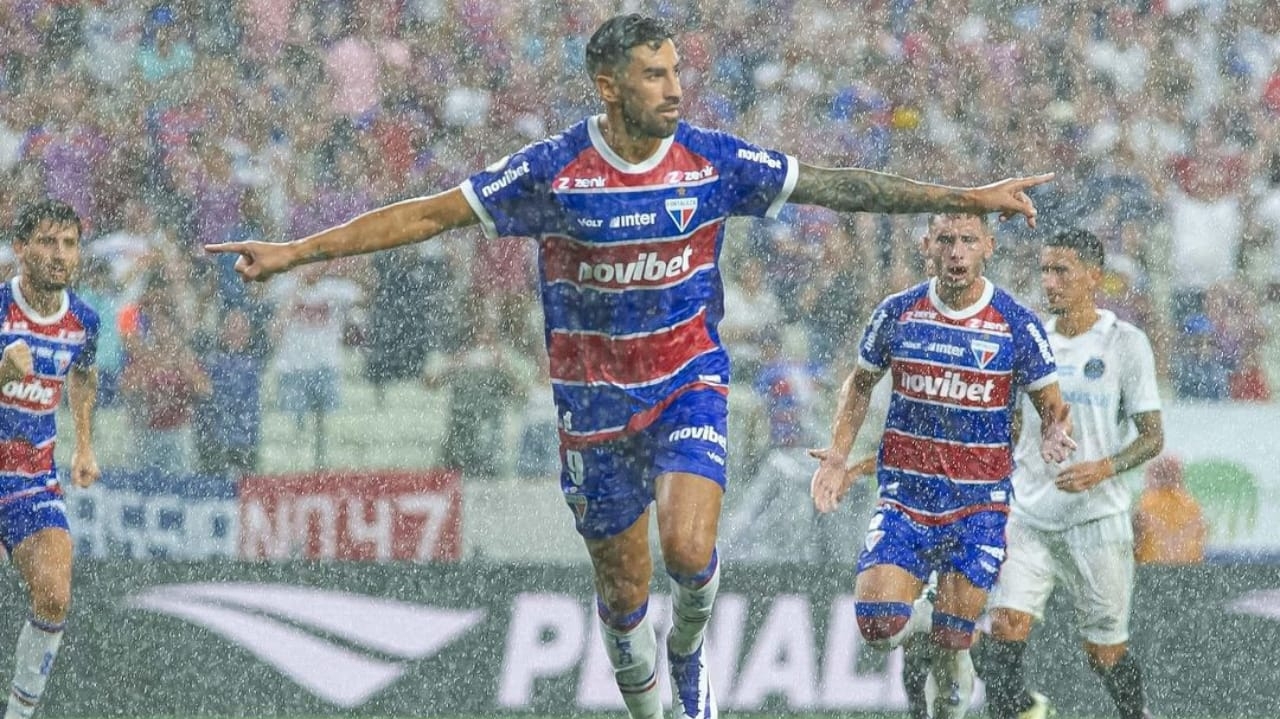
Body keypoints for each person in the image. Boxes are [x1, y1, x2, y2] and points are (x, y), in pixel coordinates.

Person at [207, 15, 1052, 719]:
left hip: (687, 383)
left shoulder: (712, 162)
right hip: (594, 412)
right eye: (653, 75)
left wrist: (963, 198)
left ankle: (691, 654)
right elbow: (428, 216)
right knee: (621, 595)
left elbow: (840, 185)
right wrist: (296, 252)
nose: (674, 88)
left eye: (676, 71)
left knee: (690, 551)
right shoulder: (553, 173)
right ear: (607, 86)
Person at [808, 213, 1076, 719]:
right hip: (907, 498)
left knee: (955, 641)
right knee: (879, 625)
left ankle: (940, 657)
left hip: (978, 505)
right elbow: (861, 384)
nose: (957, 252)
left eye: (968, 241)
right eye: (946, 240)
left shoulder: (1016, 324)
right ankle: (926, 618)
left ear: (988, 247)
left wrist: (1054, 432)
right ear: (926, 244)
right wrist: (839, 455)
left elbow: (1050, 406)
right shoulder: (898, 313)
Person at [976, 229, 1164, 719]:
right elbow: (1011, 422)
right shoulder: (1028, 340)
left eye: (1062, 271)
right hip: (1029, 514)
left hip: (1096, 520)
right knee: (1005, 628)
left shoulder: (1125, 343)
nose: (1049, 282)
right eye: (1045, 270)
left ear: (1093, 276)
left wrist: (1102, 468)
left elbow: (1152, 437)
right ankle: (1021, 709)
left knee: (1105, 654)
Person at [0, 199, 101, 719]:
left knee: (55, 597)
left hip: (34, 479)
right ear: (20, 248)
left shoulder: (84, 320)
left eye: (68, 244)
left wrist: (83, 443)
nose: (58, 254)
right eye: (46, 241)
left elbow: (83, 374)